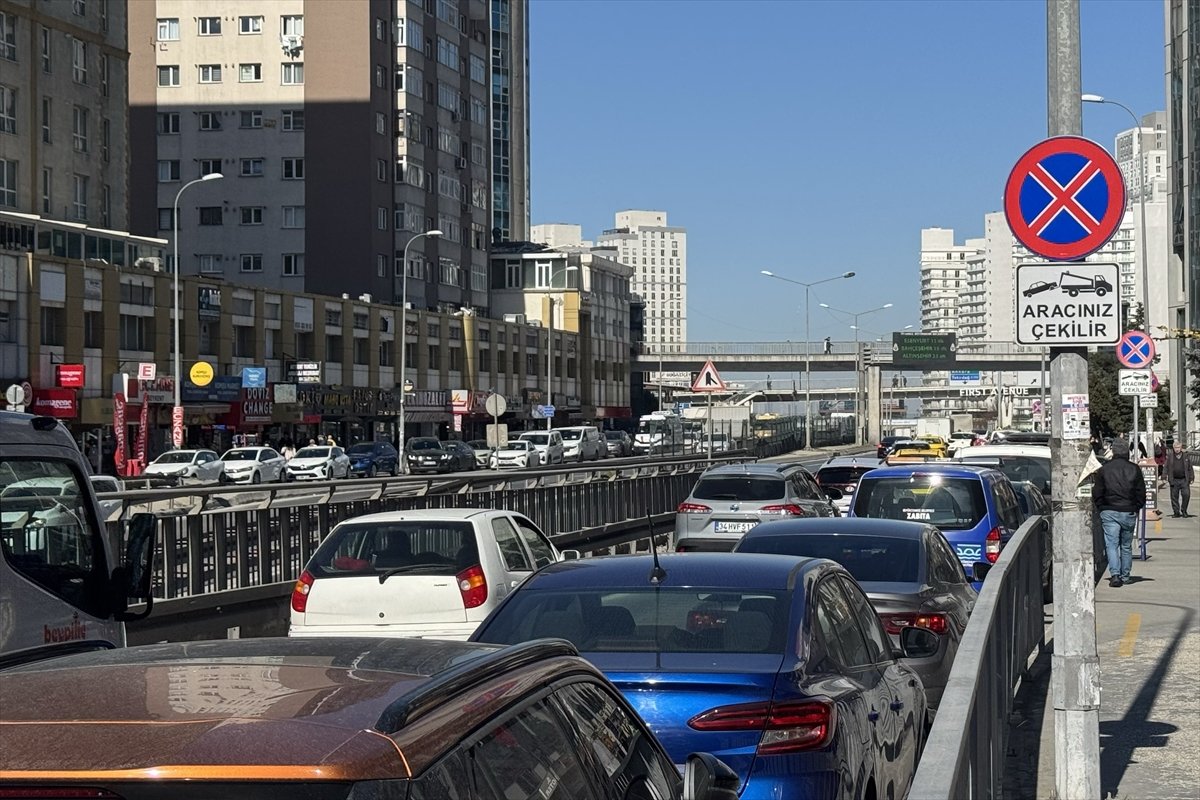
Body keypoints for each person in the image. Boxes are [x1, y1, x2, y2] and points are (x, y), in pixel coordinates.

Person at [1092, 438, 1145, 588]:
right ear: (1127, 451)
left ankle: (1115, 574)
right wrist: (1136, 507)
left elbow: (1097, 491)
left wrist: (1101, 506)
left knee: (1111, 544)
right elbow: (1141, 492)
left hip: (1109, 510)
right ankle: (1125, 575)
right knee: (1126, 545)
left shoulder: (1104, 469)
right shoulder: (1134, 469)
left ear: (1113, 451)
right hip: (1128, 510)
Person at [1164, 441, 1195, 518]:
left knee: (1186, 495)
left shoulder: (1186, 456)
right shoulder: (1170, 456)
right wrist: (1164, 476)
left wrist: (1191, 477)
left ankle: (1184, 510)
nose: (1177, 449)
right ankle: (1176, 512)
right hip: (1174, 479)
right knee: (1174, 497)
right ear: (1173, 448)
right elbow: (1166, 467)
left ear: (1181, 448)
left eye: (1178, 447)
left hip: (1184, 479)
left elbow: (1190, 467)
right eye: (1175, 448)